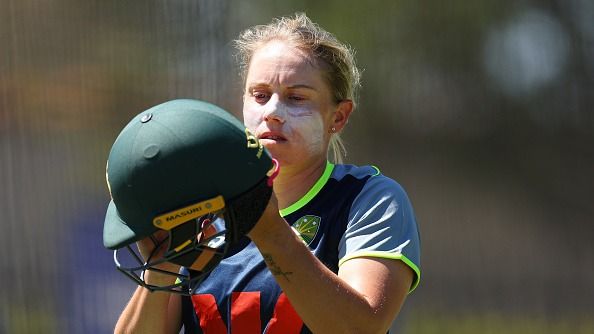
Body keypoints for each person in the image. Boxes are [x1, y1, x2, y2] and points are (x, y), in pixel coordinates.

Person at [109, 13, 420, 334]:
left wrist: (270, 230)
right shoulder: (206, 210)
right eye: (259, 95)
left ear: (338, 117)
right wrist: (161, 267)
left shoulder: (367, 198)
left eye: (296, 97)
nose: (271, 112)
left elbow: (361, 329)